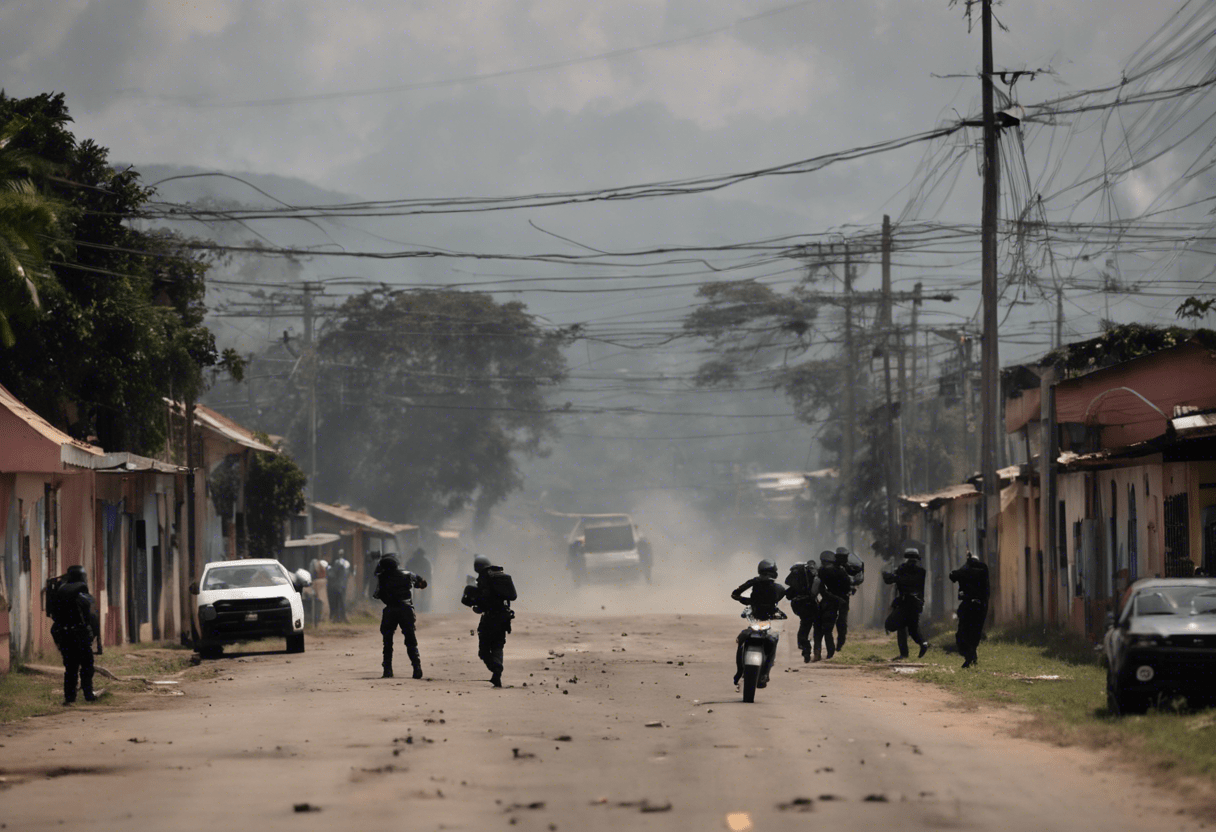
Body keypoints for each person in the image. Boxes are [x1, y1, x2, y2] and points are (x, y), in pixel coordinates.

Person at [460, 555, 516, 688]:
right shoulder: (500, 575)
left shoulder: (484, 578)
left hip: (490, 618)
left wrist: (476, 605)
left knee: (484, 651)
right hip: (503, 617)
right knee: (498, 646)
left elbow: (483, 599)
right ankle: (497, 674)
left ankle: (496, 668)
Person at [731, 559, 787, 687]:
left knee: (742, 639)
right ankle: (764, 674)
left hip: (757, 622)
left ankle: (740, 671)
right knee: (773, 640)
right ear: (774, 573)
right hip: (763, 623)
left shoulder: (753, 582)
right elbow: (782, 596)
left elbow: (735, 594)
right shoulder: (778, 588)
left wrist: (746, 600)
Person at [49, 565, 100, 706]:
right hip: (80, 634)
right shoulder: (82, 591)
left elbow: (54, 616)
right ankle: (88, 695)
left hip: (64, 635)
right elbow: (92, 615)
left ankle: (69, 698)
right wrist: (95, 635)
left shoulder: (61, 591)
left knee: (70, 668)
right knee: (87, 666)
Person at [373, 555, 427, 678]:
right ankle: (416, 667)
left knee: (387, 641)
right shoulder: (408, 574)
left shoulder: (382, 577)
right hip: (406, 609)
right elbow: (423, 584)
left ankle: (387, 670)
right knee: (410, 640)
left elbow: (377, 595)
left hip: (390, 610)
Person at [883, 546, 930, 660]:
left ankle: (906, 653)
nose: (911, 561)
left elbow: (901, 581)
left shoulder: (907, 570)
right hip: (913, 604)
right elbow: (890, 580)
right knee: (911, 629)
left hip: (907, 603)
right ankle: (922, 644)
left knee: (897, 626)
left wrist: (894, 576)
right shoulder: (919, 571)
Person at [950, 550, 990, 668]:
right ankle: (972, 658)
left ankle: (970, 658)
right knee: (973, 635)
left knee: (962, 635)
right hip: (980, 607)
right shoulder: (984, 571)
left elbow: (953, 575)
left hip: (970, 607)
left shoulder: (968, 571)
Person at [814, 550, 851, 661]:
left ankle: (821, 652)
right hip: (841, 602)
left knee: (821, 628)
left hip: (827, 602)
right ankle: (836, 648)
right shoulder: (842, 572)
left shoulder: (821, 572)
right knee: (839, 625)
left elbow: (819, 588)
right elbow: (848, 587)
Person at [784, 559, 819, 663]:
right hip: (813, 605)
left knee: (804, 627)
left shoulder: (794, 582)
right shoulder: (813, 578)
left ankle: (806, 650)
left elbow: (788, 595)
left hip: (802, 607)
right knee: (817, 629)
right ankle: (816, 651)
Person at [833, 547, 864, 651]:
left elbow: (855, 576)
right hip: (832, 597)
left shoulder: (847, 567)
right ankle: (832, 644)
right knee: (830, 621)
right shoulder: (831, 567)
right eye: (841, 557)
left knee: (842, 622)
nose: (843, 559)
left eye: (844, 557)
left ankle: (839, 644)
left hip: (843, 597)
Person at [405, 547, 433, 613]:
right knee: (413, 595)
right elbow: (407, 570)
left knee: (424, 596)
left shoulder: (425, 562)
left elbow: (429, 573)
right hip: (414, 581)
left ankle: (423, 609)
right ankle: (416, 608)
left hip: (422, 580)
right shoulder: (412, 561)